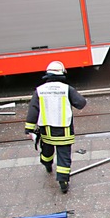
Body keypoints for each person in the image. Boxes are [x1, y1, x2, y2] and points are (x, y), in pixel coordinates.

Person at [24, 61, 87, 194]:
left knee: (47, 151)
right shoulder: (66, 89)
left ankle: (47, 164)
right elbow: (81, 103)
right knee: (64, 156)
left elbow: (33, 110)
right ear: (62, 74)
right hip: (64, 130)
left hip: (46, 131)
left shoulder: (39, 90)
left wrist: (29, 129)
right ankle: (63, 181)